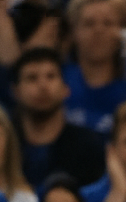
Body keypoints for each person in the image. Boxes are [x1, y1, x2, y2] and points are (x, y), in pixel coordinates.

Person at [12, 45, 108, 189]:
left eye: (51, 76)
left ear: (66, 89)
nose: (43, 85)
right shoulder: (4, 145)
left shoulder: (89, 147)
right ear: (16, 92)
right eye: (32, 78)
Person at [63, 0, 126, 138]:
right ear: (74, 33)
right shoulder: (58, 82)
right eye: (89, 23)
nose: (98, 31)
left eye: (108, 23)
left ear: (120, 33)